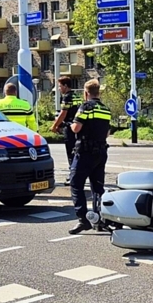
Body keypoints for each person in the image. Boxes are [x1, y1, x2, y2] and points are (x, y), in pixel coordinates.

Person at [68, 79, 111, 235]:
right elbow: (107, 132)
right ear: (98, 92)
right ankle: (100, 219)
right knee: (98, 187)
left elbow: (76, 128)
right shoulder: (106, 109)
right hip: (101, 152)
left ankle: (83, 219)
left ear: (86, 93)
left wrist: (69, 125)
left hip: (85, 152)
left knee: (76, 184)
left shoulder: (85, 107)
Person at [50, 77, 79, 185]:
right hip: (77, 127)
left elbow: (63, 114)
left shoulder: (67, 97)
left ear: (65, 86)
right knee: (77, 152)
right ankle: (77, 174)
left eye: (60, 86)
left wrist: (54, 126)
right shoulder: (77, 96)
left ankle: (73, 176)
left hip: (69, 128)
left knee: (71, 153)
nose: (59, 88)